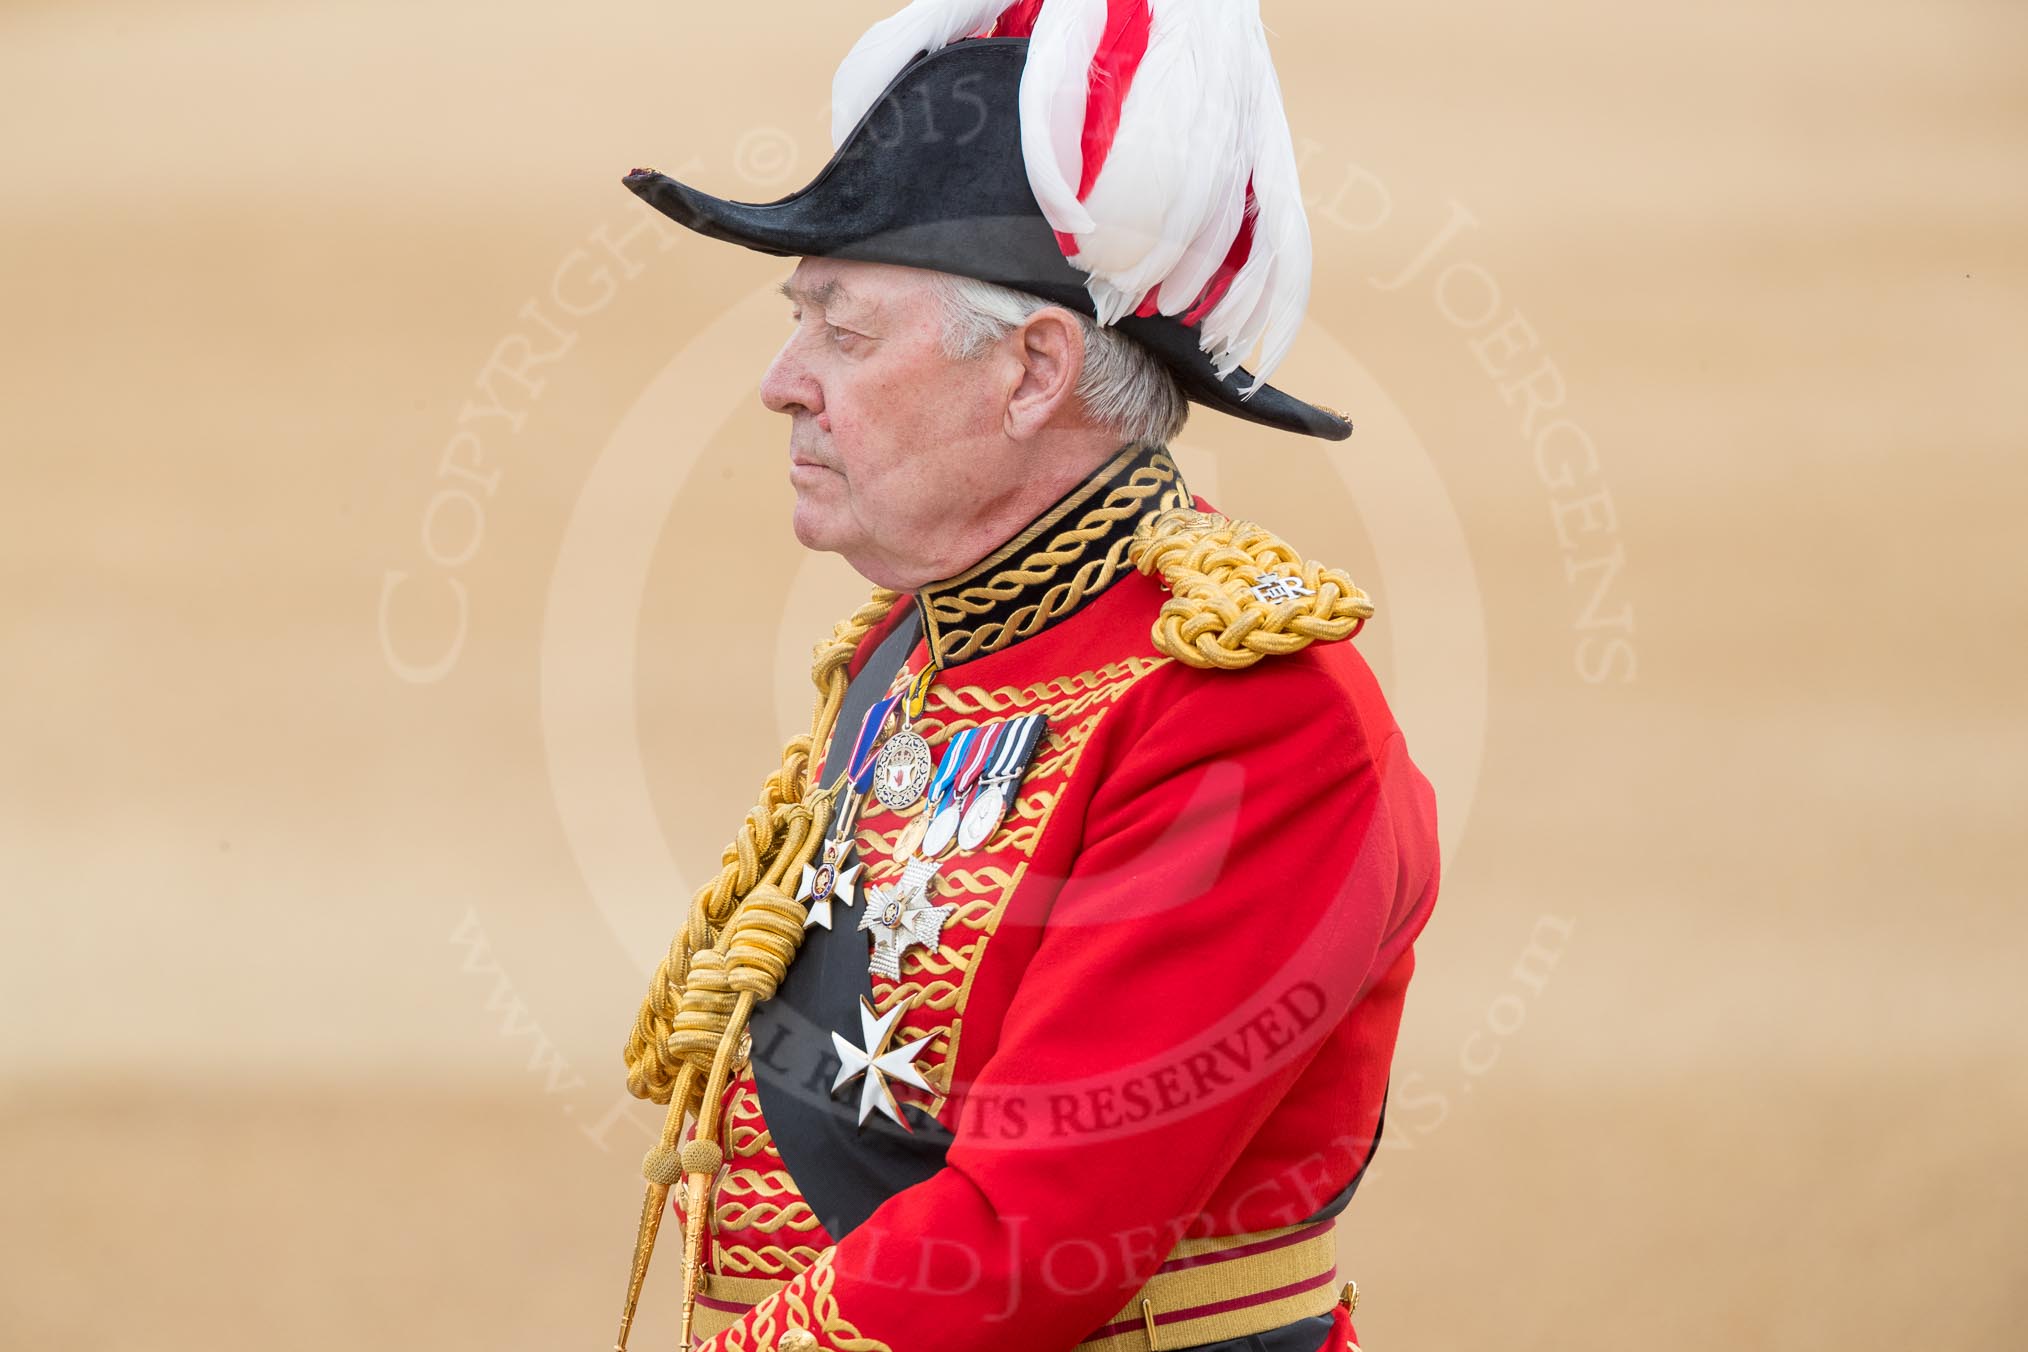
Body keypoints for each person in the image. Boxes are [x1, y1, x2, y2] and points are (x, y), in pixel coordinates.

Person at [605, 5, 1440, 1350]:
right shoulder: (913, 640)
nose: (782, 381)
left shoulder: (1255, 713)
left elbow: (1032, 1237)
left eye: (847, 333)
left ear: (1034, 370)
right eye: (799, 322)